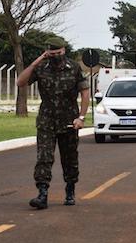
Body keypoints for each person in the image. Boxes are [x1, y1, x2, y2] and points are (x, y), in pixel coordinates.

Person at [17, 37, 90, 209]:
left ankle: (70, 190)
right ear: (47, 52)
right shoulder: (41, 67)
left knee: (69, 158)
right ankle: (42, 194)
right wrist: (37, 61)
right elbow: (20, 82)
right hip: (46, 120)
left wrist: (81, 117)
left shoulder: (74, 68)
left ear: (64, 50)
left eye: (58, 53)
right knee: (44, 158)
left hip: (69, 121)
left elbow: (85, 93)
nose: (56, 56)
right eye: (52, 53)